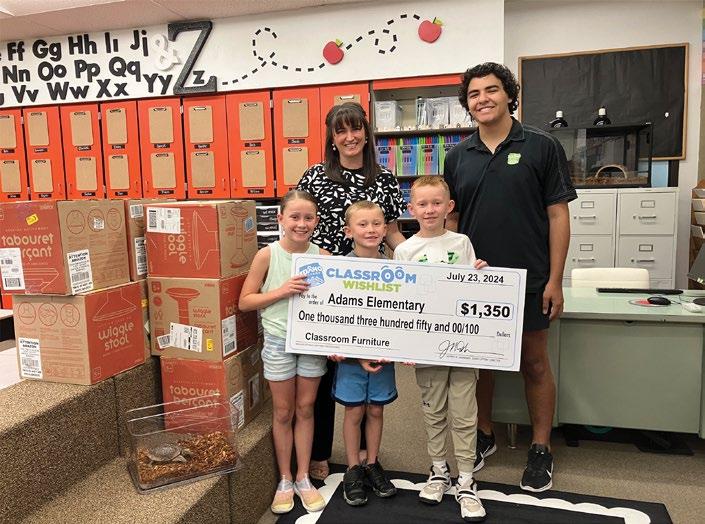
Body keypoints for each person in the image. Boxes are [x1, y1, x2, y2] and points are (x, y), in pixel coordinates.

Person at [444, 62, 576, 493]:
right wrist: (449, 276)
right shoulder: (457, 156)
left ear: (509, 95)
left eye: (491, 90)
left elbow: (558, 215)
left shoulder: (541, 145)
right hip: (475, 280)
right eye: (474, 94)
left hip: (530, 277)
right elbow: (452, 221)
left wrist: (555, 279)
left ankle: (540, 447)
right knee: (479, 364)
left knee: (534, 362)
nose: (482, 99)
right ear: (467, 104)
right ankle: (484, 434)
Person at [296, 101, 406, 480]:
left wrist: (421, 262)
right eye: (340, 130)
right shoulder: (315, 176)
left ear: (366, 132)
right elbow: (303, 227)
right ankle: (321, 451)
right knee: (329, 367)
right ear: (332, 137)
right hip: (328, 284)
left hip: (372, 286)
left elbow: (392, 233)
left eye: (355, 128)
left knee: (367, 365)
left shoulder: (385, 178)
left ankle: (361, 456)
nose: (349, 137)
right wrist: (328, 263)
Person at [394, 175, 488, 523]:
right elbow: (401, 302)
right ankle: (438, 470)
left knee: (464, 414)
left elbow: (474, 292)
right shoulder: (404, 251)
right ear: (411, 209)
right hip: (426, 347)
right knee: (433, 410)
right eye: (422, 204)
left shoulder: (462, 243)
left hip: (462, 346)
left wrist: (483, 276)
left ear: (449, 207)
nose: (430, 209)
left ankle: (466, 479)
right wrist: (406, 344)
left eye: (437, 203)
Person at [239, 190, 329, 515]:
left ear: (316, 221)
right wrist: (281, 291)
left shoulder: (323, 256)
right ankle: (285, 478)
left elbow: (335, 303)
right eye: (294, 217)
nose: (301, 224)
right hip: (278, 340)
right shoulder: (267, 255)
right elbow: (245, 301)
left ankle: (303, 476)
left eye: (308, 218)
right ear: (280, 219)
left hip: (311, 341)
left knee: (306, 407)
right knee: (282, 411)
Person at [330, 201, 398, 506]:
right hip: (351, 359)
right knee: (354, 411)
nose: (370, 230)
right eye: (363, 224)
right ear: (348, 231)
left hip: (383, 357)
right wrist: (343, 350)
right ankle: (353, 469)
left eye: (376, 224)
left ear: (385, 229)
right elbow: (331, 313)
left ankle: (372, 463)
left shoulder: (397, 270)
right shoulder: (337, 269)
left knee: (376, 410)